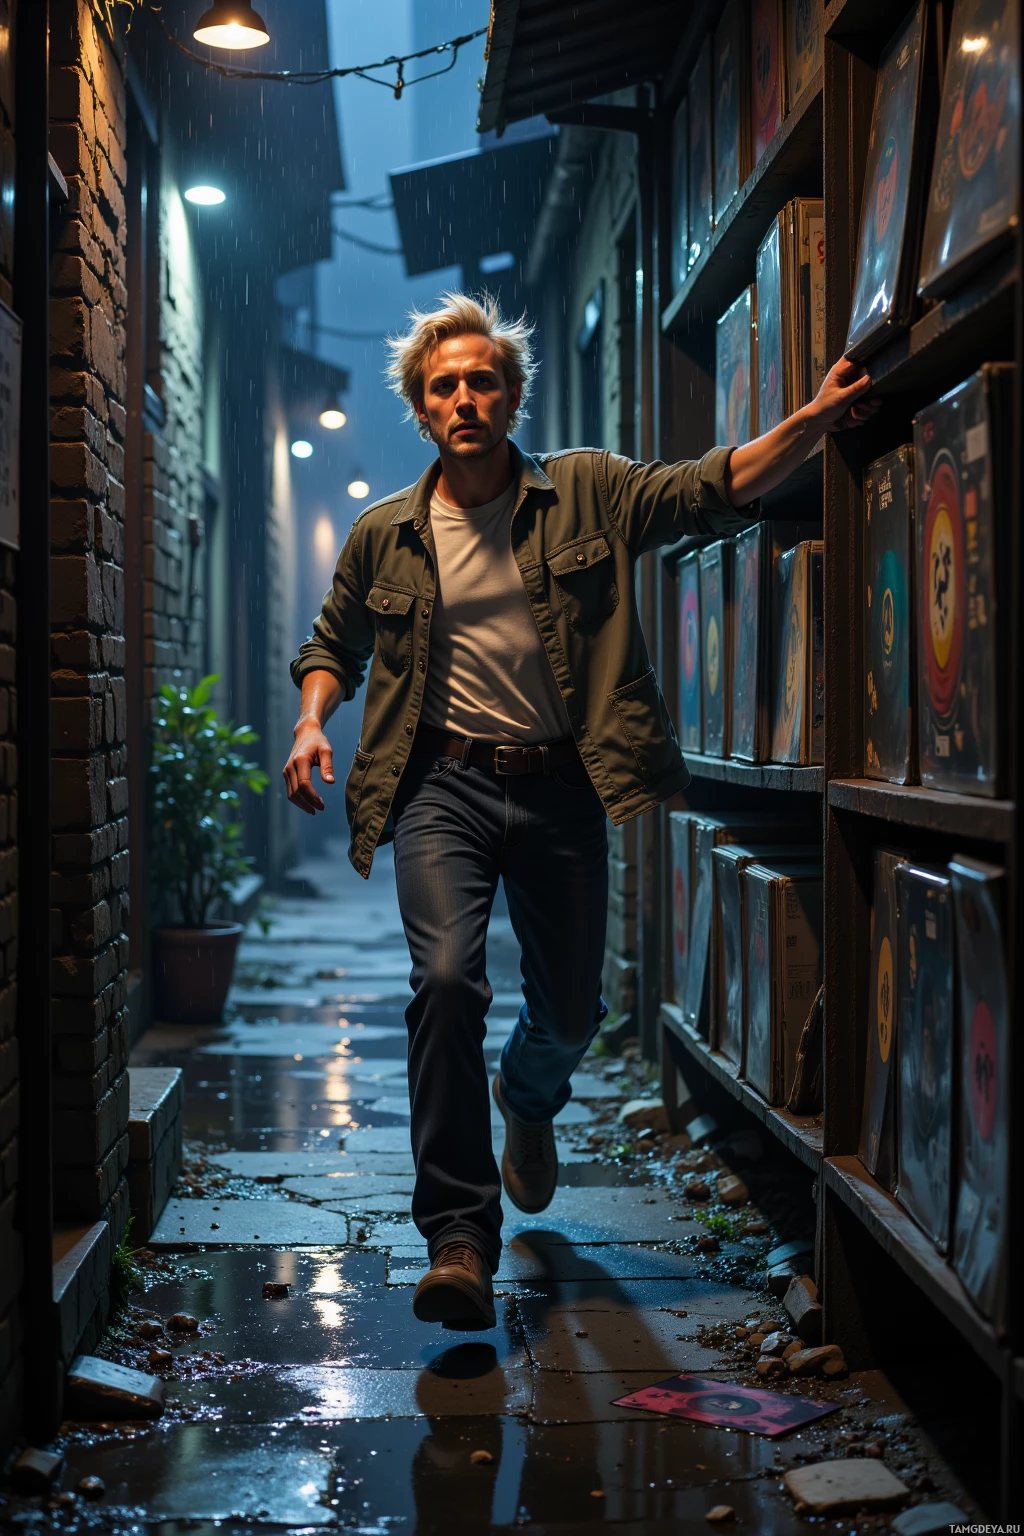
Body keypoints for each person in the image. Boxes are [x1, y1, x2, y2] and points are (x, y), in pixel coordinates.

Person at [283, 292, 875, 1330]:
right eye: (442, 386)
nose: (464, 398)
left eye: (481, 380)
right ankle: (460, 1237)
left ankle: (528, 1098)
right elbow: (332, 643)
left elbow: (710, 487)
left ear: (511, 397)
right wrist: (309, 722)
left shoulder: (588, 493)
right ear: (420, 410)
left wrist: (815, 419)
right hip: (440, 787)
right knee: (446, 982)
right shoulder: (386, 535)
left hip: (561, 785)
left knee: (568, 1015)